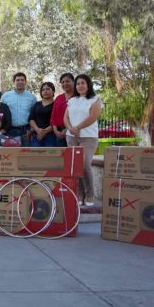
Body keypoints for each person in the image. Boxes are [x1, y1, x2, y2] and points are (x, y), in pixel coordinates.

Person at [64, 74, 102, 207]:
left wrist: (78, 127)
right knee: (75, 167)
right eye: (78, 83)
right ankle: (79, 193)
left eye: (83, 83)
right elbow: (66, 118)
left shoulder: (95, 99)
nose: (80, 86)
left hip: (88, 137)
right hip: (71, 137)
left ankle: (90, 194)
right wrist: (70, 128)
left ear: (88, 84)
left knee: (85, 165)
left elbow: (93, 117)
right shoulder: (72, 100)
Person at [0, 72, 37, 146]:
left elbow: (35, 116)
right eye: (18, 80)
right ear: (14, 82)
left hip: (26, 131)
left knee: (26, 154)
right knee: (12, 155)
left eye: (22, 80)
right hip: (10, 131)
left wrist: (31, 131)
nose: (20, 82)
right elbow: (2, 114)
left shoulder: (32, 97)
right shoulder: (5, 96)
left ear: (25, 82)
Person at [29, 82, 57, 147]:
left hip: (51, 136)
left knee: (49, 156)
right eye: (43, 90)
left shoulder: (56, 104)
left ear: (53, 91)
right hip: (36, 135)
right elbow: (31, 119)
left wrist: (45, 131)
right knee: (35, 155)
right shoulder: (37, 104)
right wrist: (38, 130)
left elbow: (57, 121)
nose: (45, 91)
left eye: (48, 89)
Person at [51, 73, 75, 147]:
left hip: (73, 132)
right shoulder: (58, 98)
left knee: (73, 156)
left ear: (73, 82)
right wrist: (55, 131)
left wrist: (67, 129)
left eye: (67, 81)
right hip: (59, 133)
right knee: (61, 157)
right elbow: (53, 116)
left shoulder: (78, 97)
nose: (65, 84)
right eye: (63, 82)